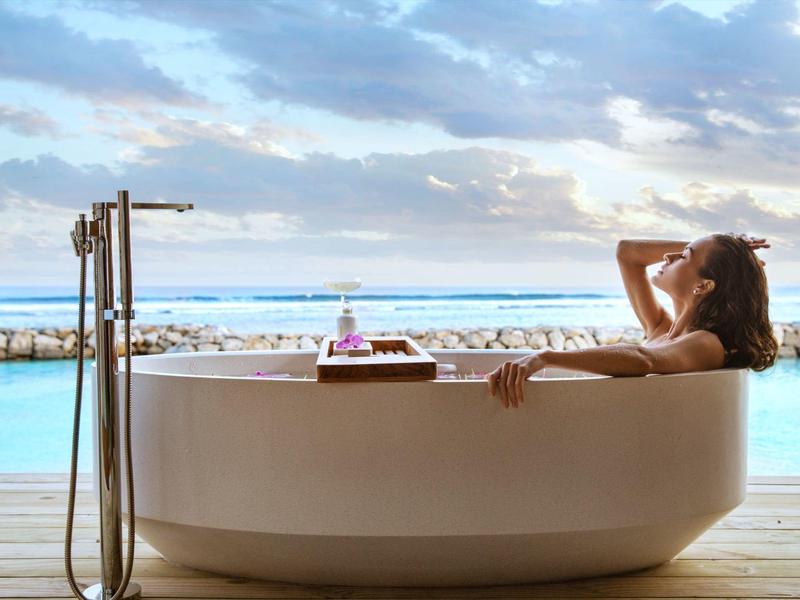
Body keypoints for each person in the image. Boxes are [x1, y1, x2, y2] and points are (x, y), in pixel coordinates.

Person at [487, 233, 779, 409]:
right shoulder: (662, 330)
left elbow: (643, 359)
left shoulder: (705, 343)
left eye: (684, 256)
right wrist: (720, 249)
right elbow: (627, 252)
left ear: (703, 286)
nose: (667, 256)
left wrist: (545, 357)